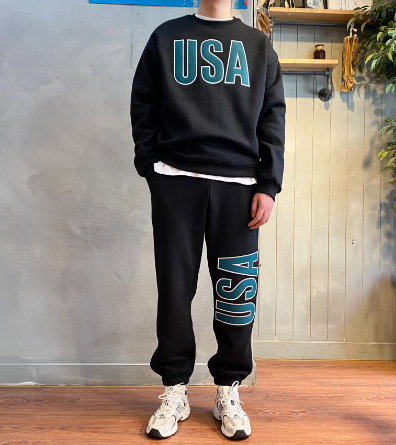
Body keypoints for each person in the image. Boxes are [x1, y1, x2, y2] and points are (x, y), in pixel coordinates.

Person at [130, 0, 285, 440]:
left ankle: (228, 390)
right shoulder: (165, 36)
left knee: (236, 291)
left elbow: (273, 119)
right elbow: (143, 103)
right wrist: (152, 167)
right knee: (175, 289)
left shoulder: (258, 46)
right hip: (176, 180)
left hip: (240, 187)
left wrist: (268, 184)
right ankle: (174, 389)